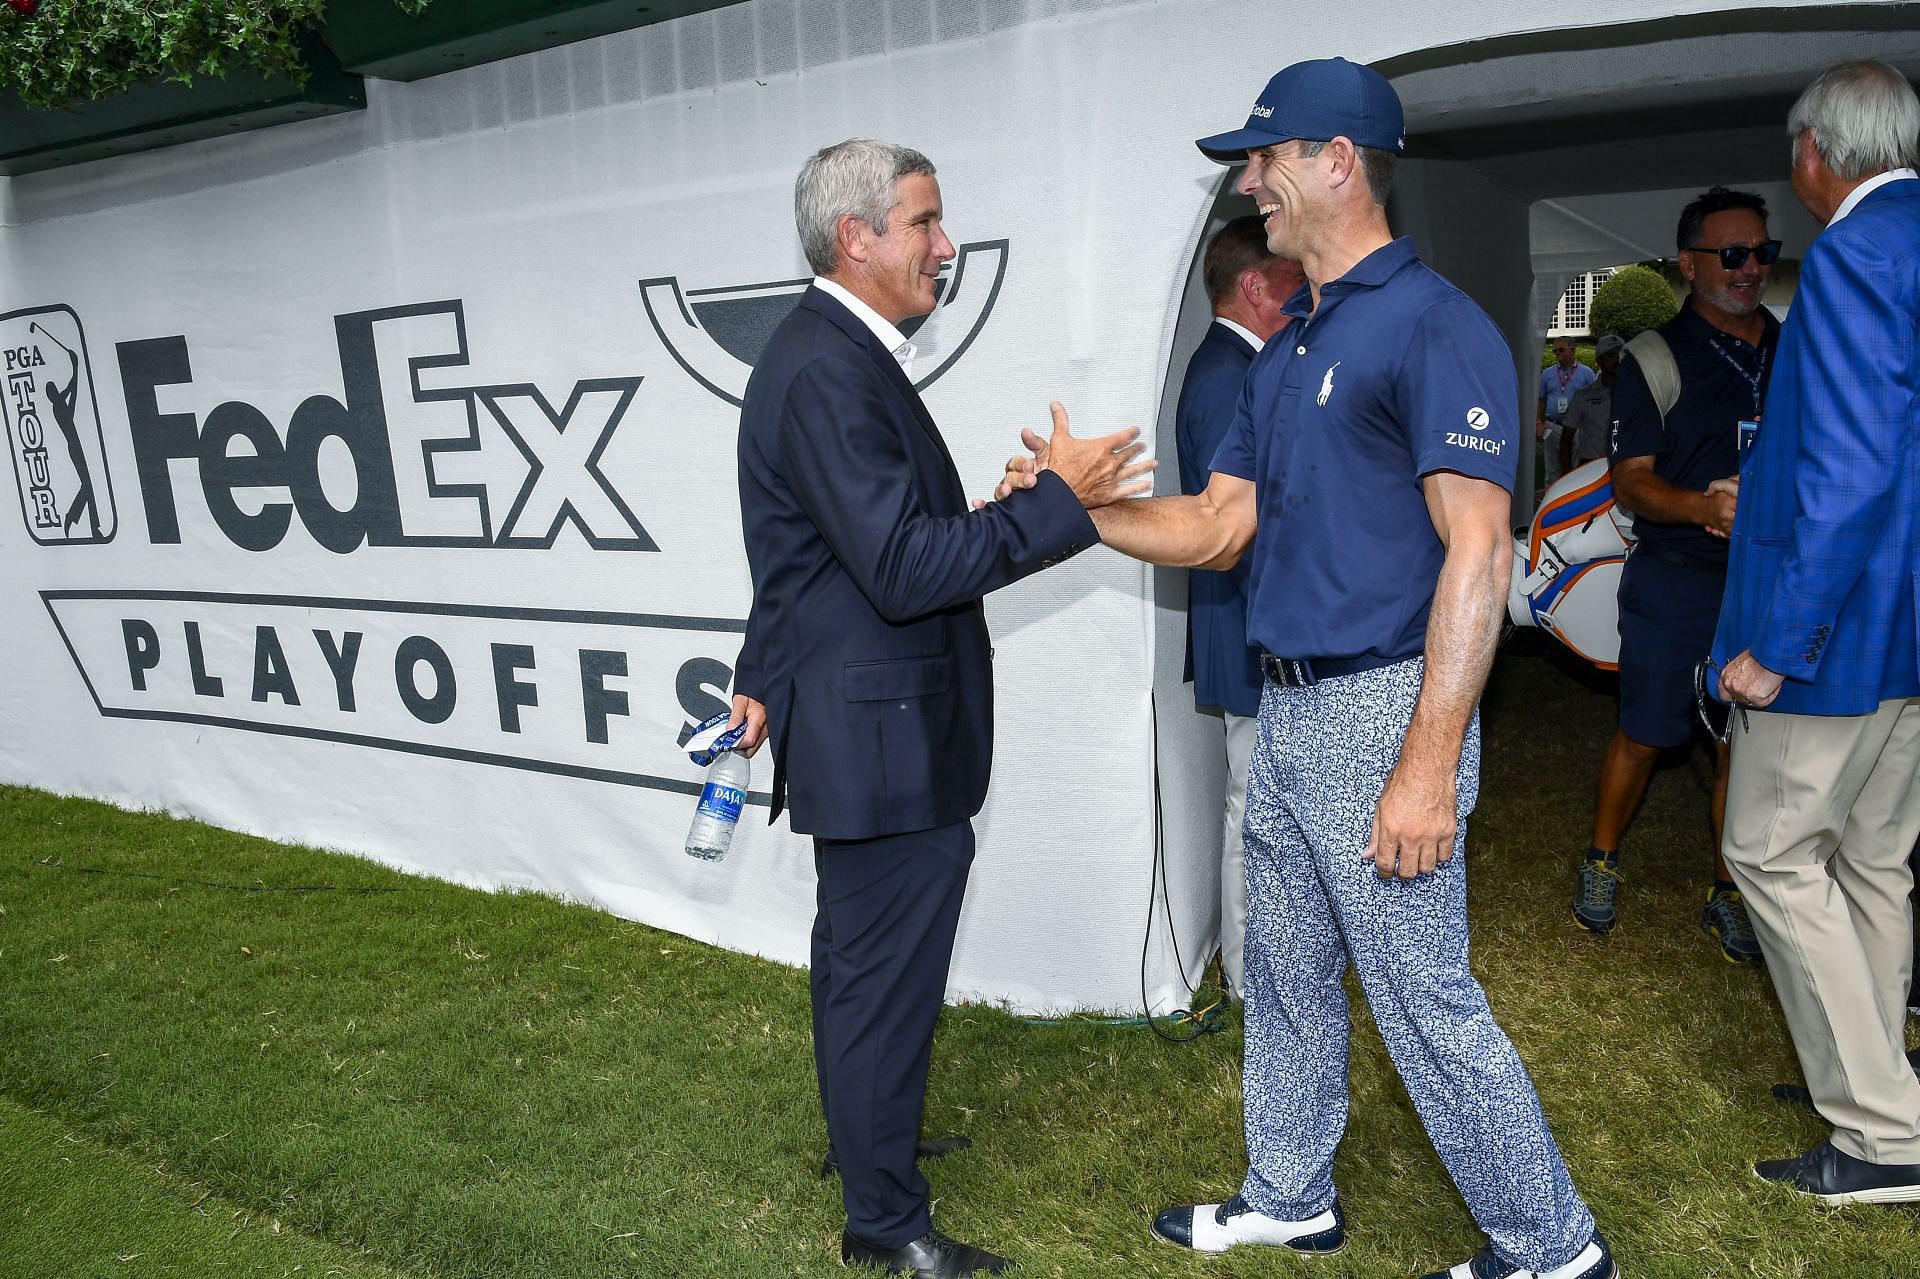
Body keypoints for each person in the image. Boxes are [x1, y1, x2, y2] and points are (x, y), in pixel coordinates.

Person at [1000, 57, 1612, 1279]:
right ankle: (1289, 1193)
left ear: (1340, 159)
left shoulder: (1433, 322)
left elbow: (1481, 553)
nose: (1251, 179)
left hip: (1387, 705)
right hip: (1284, 710)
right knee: (1281, 971)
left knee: (1422, 997)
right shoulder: (1287, 350)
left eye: (1268, 156)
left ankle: (1553, 1248)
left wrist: (1428, 763)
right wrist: (1080, 512)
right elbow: (1219, 527)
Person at [723, 138, 1151, 1277]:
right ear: (855, 238)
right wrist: (1057, 506)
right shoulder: (824, 364)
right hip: (880, 739)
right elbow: (901, 570)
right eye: (924, 223)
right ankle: (885, 1224)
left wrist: (759, 673)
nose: (944, 246)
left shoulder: (834, 354)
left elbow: (810, 558)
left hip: (873, 725)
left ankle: (874, 1147)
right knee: (876, 974)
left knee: (866, 969)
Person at [1711, 60, 1920, 1205]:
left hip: (1839, 629)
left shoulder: (1851, 251)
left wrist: (1779, 644)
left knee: (1772, 852)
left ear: (1816, 153)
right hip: (1910, 623)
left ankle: (1888, 1132)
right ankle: (1877, 1070)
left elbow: (1851, 469)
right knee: (1876, 860)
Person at [1569, 187, 1780, 965]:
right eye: (1732, 255)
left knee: (1744, 746)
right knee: (1646, 732)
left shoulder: (1792, 350)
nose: (1750, 268)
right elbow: (1630, 481)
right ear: (1691, 263)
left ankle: (1729, 893)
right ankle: (1601, 859)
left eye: (1763, 252)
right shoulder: (1657, 357)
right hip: (1676, 573)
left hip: (1764, 583)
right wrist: (1701, 508)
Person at [1175, 215, 1304, 1000]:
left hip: (1257, 625)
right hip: (1251, 626)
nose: (1306, 290)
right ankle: (1252, 981)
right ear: (1255, 287)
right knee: (1253, 810)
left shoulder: (1240, 365)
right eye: (1292, 277)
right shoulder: (1230, 373)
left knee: (1265, 806)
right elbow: (1236, 527)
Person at [1559, 333, 1623, 475]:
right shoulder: (1584, 396)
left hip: (1625, 465)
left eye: (1621, 355)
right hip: (1590, 467)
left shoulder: (1635, 394)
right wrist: (1567, 475)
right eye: (1611, 355)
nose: (1618, 360)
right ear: (1599, 360)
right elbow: (1566, 439)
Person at [1537, 336, 1596, 487]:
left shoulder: (1586, 373)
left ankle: (1574, 503)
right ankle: (1550, 504)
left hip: (1577, 428)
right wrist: (1539, 422)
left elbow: (1593, 401)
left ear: (1573, 350)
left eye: (1561, 349)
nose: (1557, 353)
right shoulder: (1547, 374)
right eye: (1555, 350)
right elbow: (1541, 400)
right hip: (1553, 426)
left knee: (1577, 469)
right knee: (1552, 470)